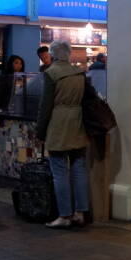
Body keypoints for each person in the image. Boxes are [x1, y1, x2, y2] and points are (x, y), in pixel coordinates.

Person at [36, 40, 89, 228]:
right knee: (79, 168)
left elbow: (45, 106)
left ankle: (64, 216)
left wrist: (40, 131)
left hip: (58, 123)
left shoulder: (51, 74)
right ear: (69, 53)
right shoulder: (80, 73)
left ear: (53, 54)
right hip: (78, 121)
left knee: (59, 171)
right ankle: (81, 213)